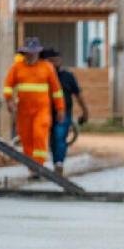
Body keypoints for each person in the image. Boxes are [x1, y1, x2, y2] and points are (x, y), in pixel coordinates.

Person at [3, 37, 65, 168]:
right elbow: (8, 85)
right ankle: (31, 165)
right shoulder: (16, 68)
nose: (31, 55)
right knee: (26, 138)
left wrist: (60, 109)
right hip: (23, 111)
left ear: (38, 53)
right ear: (24, 53)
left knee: (39, 135)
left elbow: (56, 91)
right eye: (28, 52)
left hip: (42, 111)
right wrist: (9, 100)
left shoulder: (47, 67)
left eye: (33, 52)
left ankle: (39, 166)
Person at [41, 47, 89, 176]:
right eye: (51, 61)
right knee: (52, 140)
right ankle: (56, 162)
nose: (54, 63)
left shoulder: (67, 76)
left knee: (60, 137)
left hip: (63, 113)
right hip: (45, 113)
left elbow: (78, 95)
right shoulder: (43, 75)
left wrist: (85, 112)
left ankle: (59, 164)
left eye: (56, 60)